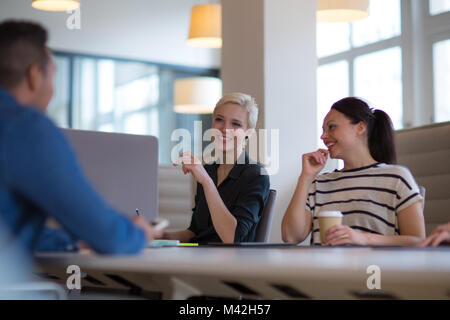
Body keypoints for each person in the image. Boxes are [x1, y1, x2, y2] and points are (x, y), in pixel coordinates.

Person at [0, 20, 161, 254]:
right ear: (35, 76)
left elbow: (12, 233)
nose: (52, 90)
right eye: (52, 77)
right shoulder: (25, 127)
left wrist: (71, 242)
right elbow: (111, 238)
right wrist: (136, 233)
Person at [282, 97, 425, 246]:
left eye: (331, 127)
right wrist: (306, 177)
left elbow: (418, 241)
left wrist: (363, 238)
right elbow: (290, 236)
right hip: (323, 268)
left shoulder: (396, 178)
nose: (323, 136)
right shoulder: (319, 183)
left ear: (360, 128)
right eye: (323, 130)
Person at [163, 93, 270, 243]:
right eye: (219, 120)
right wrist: (160, 236)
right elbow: (195, 232)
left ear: (248, 133)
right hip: (200, 259)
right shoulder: (209, 171)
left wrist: (207, 182)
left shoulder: (256, 175)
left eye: (236, 124)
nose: (225, 129)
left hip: (232, 264)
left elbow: (232, 238)